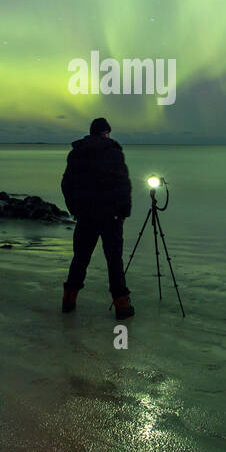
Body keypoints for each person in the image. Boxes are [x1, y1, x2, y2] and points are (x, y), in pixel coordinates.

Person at [60, 117, 134, 319]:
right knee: (114, 259)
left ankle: (69, 299)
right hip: (111, 214)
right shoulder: (113, 152)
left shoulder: (77, 153)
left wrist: (74, 208)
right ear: (106, 133)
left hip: (86, 214)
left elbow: (66, 184)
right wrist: (124, 211)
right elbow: (122, 184)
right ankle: (122, 305)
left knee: (81, 257)